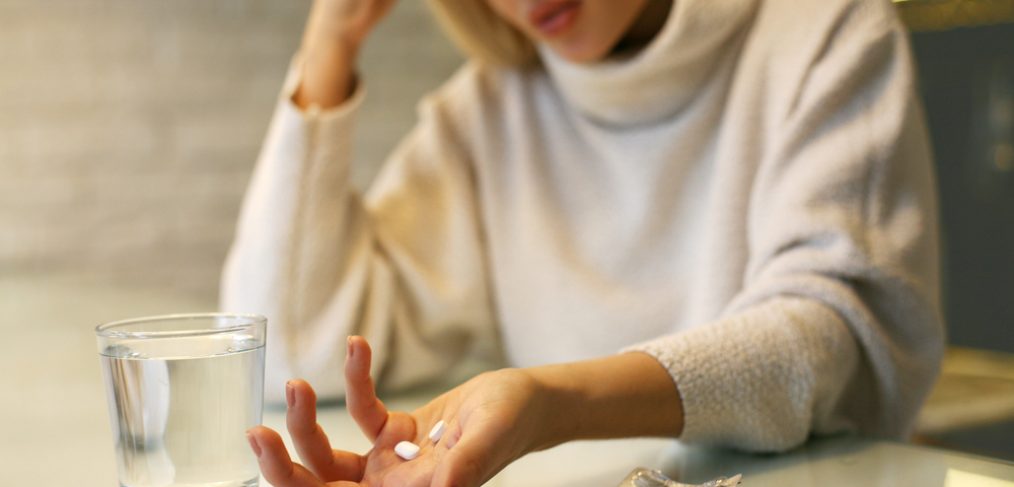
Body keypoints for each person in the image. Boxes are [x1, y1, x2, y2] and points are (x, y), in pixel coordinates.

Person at [222, 0, 945, 485]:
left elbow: (828, 340)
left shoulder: (823, 31)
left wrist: (555, 401)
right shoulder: (493, 109)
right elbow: (291, 346)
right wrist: (331, 39)